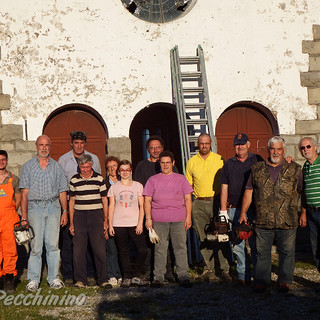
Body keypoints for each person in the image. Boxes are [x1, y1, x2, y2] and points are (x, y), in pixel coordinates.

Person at [240, 136, 302, 293]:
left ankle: (285, 281)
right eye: (273, 148)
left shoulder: (295, 169)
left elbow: (302, 191)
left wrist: (304, 213)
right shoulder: (257, 169)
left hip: (287, 219)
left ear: (284, 150)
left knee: (287, 252)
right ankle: (261, 281)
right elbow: (249, 191)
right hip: (263, 219)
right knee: (262, 253)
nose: (276, 152)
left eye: (279, 149)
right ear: (268, 150)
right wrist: (243, 213)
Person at [19, 135, 68, 292]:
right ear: (36, 146)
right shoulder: (27, 167)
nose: (44, 147)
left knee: (53, 245)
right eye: (41, 145)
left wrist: (65, 211)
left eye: (47, 145)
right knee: (36, 246)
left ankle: (53, 278)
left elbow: (62, 191)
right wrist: (24, 217)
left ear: (50, 146)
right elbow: (24, 194)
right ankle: (33, 279)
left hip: (54, 206)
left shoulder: (57, 167)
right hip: (35, 207)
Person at [144, 151, 193, 287]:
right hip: (159, 220)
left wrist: (188, 217)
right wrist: (148, 218)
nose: (165, 165)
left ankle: (183, 275)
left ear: (173, 163)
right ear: (159, 164)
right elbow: (147, 200)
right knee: (160, 249)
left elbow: (188, 199)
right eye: (162, 162)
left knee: (180, 248)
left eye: (167, 162)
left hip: (179, 219)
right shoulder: (152, 180)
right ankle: (158, 277)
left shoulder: (181, 179)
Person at [185, 133, 231, 280]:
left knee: (221, 235)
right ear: (197, 144)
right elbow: (188, 185)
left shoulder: (219, 159)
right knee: (204, 237)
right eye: (201, 143)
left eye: (207, 143)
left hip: (217, 201)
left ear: (211, 143)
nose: (204, 146)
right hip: (198, 202)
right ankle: (209, 268)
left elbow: (227, 182)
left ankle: (225, 269)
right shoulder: (191, 162)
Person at [58, 131, 101, 286]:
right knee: (68, 241)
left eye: (82, 143)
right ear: (71, 143)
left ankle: (89, 273)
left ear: (85, 144)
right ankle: (69, 274)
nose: (79, 146)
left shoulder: (94, 159)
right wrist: (64, 209)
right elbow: (61, 185)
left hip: (88, 204)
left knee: (88, 241)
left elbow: (99, 182)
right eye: (76, 143)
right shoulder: (63, 160)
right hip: (69, 203)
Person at [133, 135, 178, 282]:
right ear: (148, 150)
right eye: (152, 147)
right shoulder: (141, 166)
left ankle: (168, 272)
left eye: (158, 147)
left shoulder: (169, 165)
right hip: (149, 208)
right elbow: (139, 189)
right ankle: (148, 272)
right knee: (149, 242)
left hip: (167, 210)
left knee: (165, 242)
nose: (155, 150)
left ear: (162, 148)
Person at [220, 133, 262, 284]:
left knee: (256, 244)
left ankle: (259, 275)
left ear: (248, 144)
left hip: (254, 209)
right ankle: (242, 275)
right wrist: (223, 210)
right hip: (234, 209)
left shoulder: (258, 160)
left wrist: (287, 159)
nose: (240, 146)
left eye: (242, 143)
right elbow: (224, 188)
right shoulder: (229, 163)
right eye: (237, 144)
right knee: (238, 245)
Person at [69, 154, 111, 288]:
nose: (85, 170)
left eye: (87, 167)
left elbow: (105, 200)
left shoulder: (99, 179)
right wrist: (71, 222)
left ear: (91, 165)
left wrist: (106, 220)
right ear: (79, 167)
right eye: (82, 167)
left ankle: (103, 279)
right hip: (79, 216)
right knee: (78, 250)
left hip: (96, 215)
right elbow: (72, 201)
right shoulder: (74, 180)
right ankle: (80, 280)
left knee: (99, 249)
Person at [108, 160, 147, 288]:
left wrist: (140, 222)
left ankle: (136, 275)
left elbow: (142, 206)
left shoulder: (138, 186)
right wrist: (110, 224)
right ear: (119, 172)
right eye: (122, 170)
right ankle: (126, 276)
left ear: (131, 171)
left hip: (135, 223)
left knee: (142, 250)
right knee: (123, 251)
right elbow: (111, 206)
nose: (125, 172)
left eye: (127, 170)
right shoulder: (114, 187)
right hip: (119, 223)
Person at [0, 150, 21, 293]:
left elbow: (18, 199)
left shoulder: (14, 179)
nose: (1, 162)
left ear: (7, 161)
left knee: (10, 250)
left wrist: (12, 211)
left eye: (3, 159)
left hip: (9, 218)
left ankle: (9, 280)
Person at [299, 137, 320, 273]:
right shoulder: (305, 167)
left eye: (308, 146)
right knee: (316, 249)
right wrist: (304, 213)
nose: (305, 150)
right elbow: (304, 192)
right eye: (302, 148)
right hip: (312, 214)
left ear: (315, 147)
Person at [105, 156, 122, 287]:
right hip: (110, 220)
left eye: (114, 166)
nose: (112, 169)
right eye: (109, 166)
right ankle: (112, 275)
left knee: (123, 249)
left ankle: (121, 274)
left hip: (124, 220)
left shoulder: (125, 182)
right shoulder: (104, 184)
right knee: (111, 250)